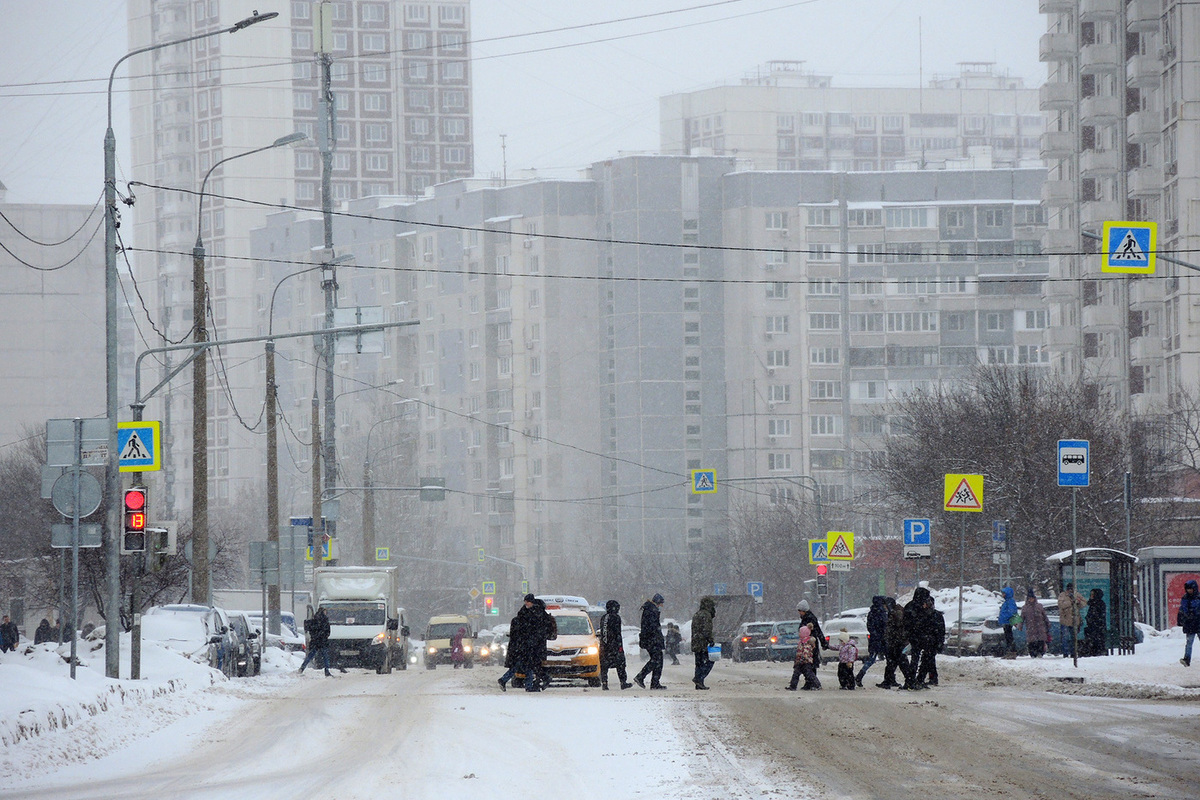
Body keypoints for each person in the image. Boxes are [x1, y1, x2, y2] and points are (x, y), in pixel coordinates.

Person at [911, 593, 945, 687]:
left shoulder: (933, 615)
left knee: (926, 660)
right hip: (928, 642)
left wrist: (939, 642)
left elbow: (940, 631)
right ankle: (932, 678)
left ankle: (921, 678)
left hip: (932, 642)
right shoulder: (928, 614)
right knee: (929, 660)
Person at [497, 598, 531, 691]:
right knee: (527, 666)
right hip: (523, 647)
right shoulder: (525, 622)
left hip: (518, 647)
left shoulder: (516, 620)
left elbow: (514, 634)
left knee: (521, 666)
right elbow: (523, 635)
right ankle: (528, 686)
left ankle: (528, 685)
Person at [634, 593, 666, 689]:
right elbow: (653, 627)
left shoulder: (649, 609)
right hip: (652, 640)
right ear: (657, 602)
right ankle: (641, 677)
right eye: (661, 604)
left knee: (657, 660)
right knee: (656, 660)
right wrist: (657, 639)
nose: (661, 606)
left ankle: (654, 683)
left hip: (650, 640)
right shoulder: (652, 611)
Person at [598, 600, 633, 690]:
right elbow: (617, 633)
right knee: (620, 664)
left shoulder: (603, 617)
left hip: (604, 645)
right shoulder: (616, 617)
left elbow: (603, 632)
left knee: (604, 665)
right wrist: (619, 646)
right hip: (614, 646)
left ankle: (604, 683)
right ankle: (623, 682)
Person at [879, 598, 913, 689]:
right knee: (892, 663)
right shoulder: (895, 612)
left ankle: (909, 681)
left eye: (885, 605)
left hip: (897, 642)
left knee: (901, 663)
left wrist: (894, 638)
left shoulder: (897, 612)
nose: (884, 607)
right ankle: (888, 681)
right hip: (894, 642)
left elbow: (898, 627)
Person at [856, 595, 888, 688]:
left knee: (872, 659)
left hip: (875, 639)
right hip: (880, 639)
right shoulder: (882, 613)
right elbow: (884, 626)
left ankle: (860, 675)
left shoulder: (872, 613)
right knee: (887, 660)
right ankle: (860, 676)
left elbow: (870, 626)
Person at [690, 597, 717, 690]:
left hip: (696, 642)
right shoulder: (706, 615)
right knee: (710, 661)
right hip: (703, 643)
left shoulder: (696, 614)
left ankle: (699, 683)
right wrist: (710, 640)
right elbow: (707, 630)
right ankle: (698, 679)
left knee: (699, 663)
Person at [298, 607, 332, 676]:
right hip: (323, 641)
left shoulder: (314, 619)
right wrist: (323, 636)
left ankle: (302, 668)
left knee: (310, 656)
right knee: (325, 657)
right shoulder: (325, 620)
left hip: (315, 641)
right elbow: (328, 631)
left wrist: (315, 637)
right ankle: (327, 671)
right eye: (325, 611)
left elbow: (310, 629)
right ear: (323, 612)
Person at [786, 624, 821, 690]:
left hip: (805, 661)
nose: (799, 634)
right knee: (797, 674)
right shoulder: (802, 641)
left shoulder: (806, 642)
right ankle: (793, 686)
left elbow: (806, 651)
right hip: (800, 660)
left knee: (808, 674)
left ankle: (816, 684)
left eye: (800, 632)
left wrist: (804, 657)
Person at [1057, 582, 1086, 658]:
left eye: (1072, 589)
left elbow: (1084, 603)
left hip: (1075, 620)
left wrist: (1078, 601)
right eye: (1069, 589)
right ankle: (1065, 653)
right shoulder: (1062, 595)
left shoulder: (1077, 595)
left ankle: (1073, 652)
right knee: (1065, 638)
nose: (1070, 591)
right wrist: (1071, 602)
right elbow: (1061, 605)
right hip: (1065, 620)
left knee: (1074, 638)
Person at [1022, 590, 1051, 659]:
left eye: (1032, 598)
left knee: (1040, 642)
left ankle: (1040, 653)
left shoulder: (1039, 606)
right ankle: (1033, 654)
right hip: (1031, 628)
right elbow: (1022, 617)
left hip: (1040, 628)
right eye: (1029, 598)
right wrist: (1019, 625)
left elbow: (1044, 616)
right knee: (1032, 642)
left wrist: (1047, 623)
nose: (1031, 599)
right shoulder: (1025, 608)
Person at [1178, 579, 1200, 667]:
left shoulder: (1187, 598)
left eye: (1190, 589)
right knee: (1189, 642)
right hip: (1192, 623)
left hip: (1195, 622)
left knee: (1189, 642)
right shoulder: (1188, 598)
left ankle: (1187, 659)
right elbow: (1183, 609)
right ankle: (1187, 659)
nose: (1189, 590)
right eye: (1188, 589)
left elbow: (1183, 609)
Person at [997, 586, 1019, 659]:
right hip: (1007, 621)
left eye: (1004, 593)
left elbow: (1011, 612)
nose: (1002, 595)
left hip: (1008, 622)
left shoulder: (1010, 601)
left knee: (1009, 637)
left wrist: (1005, 617)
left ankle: (1012, 652)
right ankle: (1010, 652)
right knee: (1008, 637)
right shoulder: (1008, 601)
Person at [1084, 588, 1107, 657]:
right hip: (1093, 627)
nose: (1091, 596)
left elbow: (1097, 616)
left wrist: (1091, 620)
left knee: (1096, 641)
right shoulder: (1093, 603)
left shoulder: (1098, 604)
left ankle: (1096, 652)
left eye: (1092, 595)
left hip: (1097, 627)